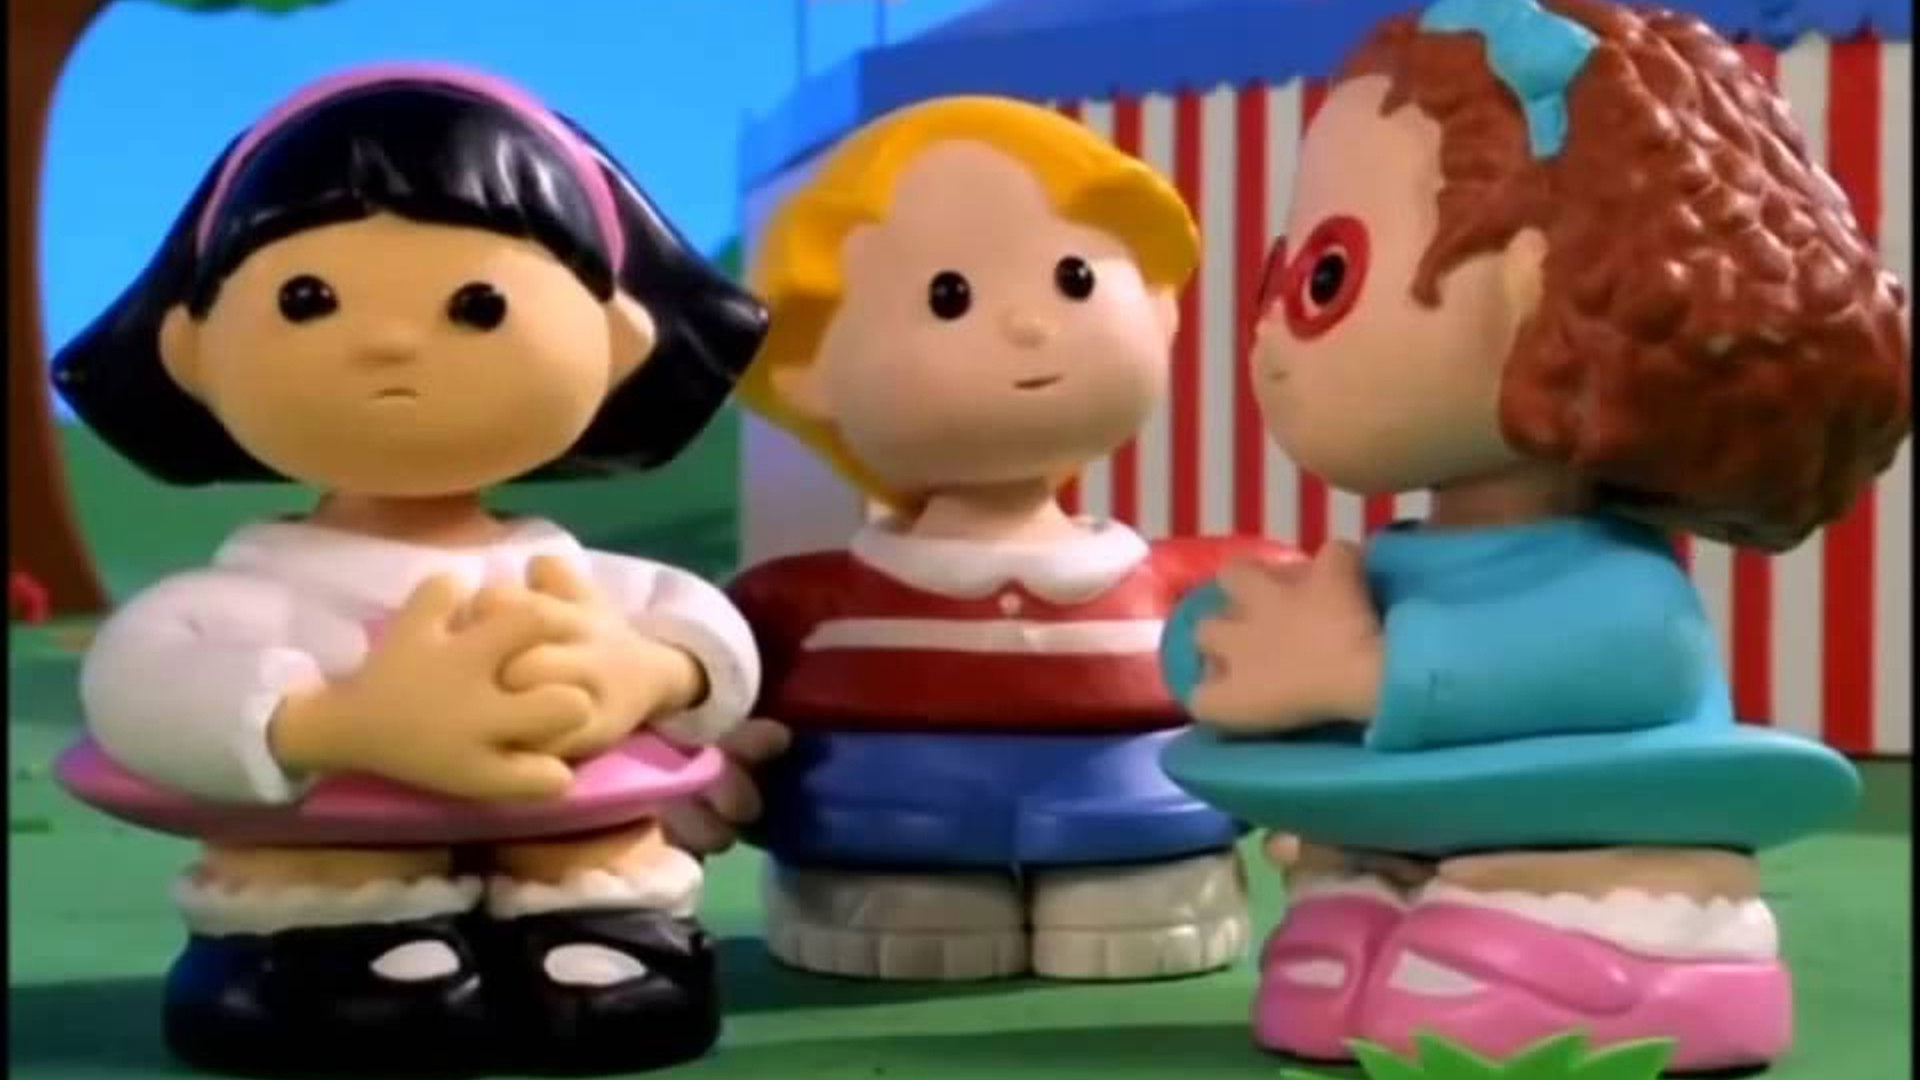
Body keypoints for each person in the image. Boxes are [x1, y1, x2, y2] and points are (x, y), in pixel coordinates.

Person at [1157, 0, 1910, 1070]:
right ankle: (1387, 910)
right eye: (1284, 276)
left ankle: (1626, 957)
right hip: (1405, 830)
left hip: (1592, 843)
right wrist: (1224, 651)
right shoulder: (1388, 565)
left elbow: (1629, 659)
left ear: (1542, 278)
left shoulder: (1619, 585)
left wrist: (1362, 672)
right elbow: (1234, 650)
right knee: (1339, 909)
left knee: (1532, 919)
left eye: (1327, 277)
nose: (1274, 332)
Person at [52, 64, 767, 1077]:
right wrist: (339, 727)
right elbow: (141, 683)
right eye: (309, 300)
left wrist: (644, 672)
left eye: (477, 305)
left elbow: (709, 635)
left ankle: (601, 934)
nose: (390, 343)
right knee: (352, 965)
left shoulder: (581, 579)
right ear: (191, 350)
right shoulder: (251, 596)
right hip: (325, 868)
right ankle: (327, 953)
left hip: (577, 849)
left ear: (617, 343)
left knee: (607, 941)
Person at [665, 96, 1289, 982]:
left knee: (1142, 902)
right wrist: (698, 767)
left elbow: (1302, 657)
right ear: (807, 369)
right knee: (912, 912)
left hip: (1147, 835)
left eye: (1076, 279)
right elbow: (708, 693)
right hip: (880, 843)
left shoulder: (1189, 580)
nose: (1030, 326)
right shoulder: (800, 600)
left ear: (1160, 308)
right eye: (949, 297)